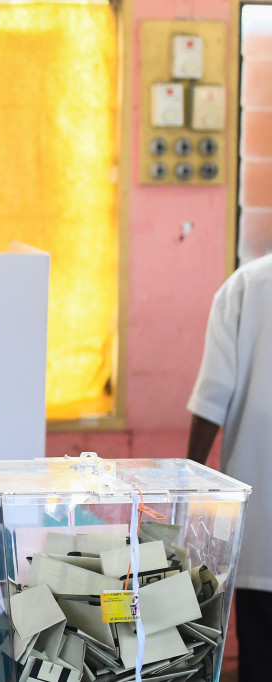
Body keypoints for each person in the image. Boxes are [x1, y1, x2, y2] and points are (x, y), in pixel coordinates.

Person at [186, 252, 272, 682]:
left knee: (260, 654)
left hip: (263, 527)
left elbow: (211, 401)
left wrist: (183, 489)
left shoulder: (247, 286)